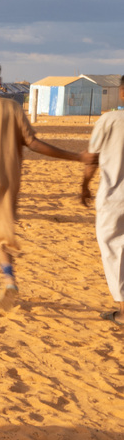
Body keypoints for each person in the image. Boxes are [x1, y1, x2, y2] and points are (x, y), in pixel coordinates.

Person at [0, 59, 93, 306]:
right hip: (4, 183)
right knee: (0, 235)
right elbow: (34, 143)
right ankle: (9, 281)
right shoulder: (13, 108)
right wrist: (76, 156)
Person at [82, 76, 124, 323]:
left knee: (112, 250)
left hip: (113, 198)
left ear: (121, 93)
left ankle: (122, 309)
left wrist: (84, 186)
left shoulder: (109, 120)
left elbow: (92, 158)